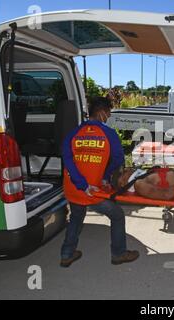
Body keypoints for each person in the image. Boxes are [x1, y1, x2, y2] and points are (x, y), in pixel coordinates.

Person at [60, 97, 139, 268]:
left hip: (73, 189)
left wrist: (81, 183)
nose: (108, 117)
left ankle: (67, 254)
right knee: (117, 215)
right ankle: (118, 253)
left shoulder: (73, 133)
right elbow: (118, 159)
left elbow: (67, 159)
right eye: (108, 113)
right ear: (102, 112)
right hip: (92, 192)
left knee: (76, 216)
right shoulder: (109, 134)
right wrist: (103, 176)